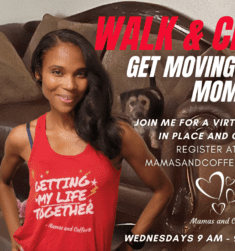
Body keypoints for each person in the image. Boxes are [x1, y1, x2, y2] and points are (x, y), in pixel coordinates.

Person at [0, 29, 174, 251]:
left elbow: (163, 189)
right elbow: (3, 182)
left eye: (80, 74)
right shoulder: (22, 137)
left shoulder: (117, 134)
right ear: (38, 72)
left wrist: (132, 243)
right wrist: (16, 235)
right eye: (57, 72)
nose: (70, 85)